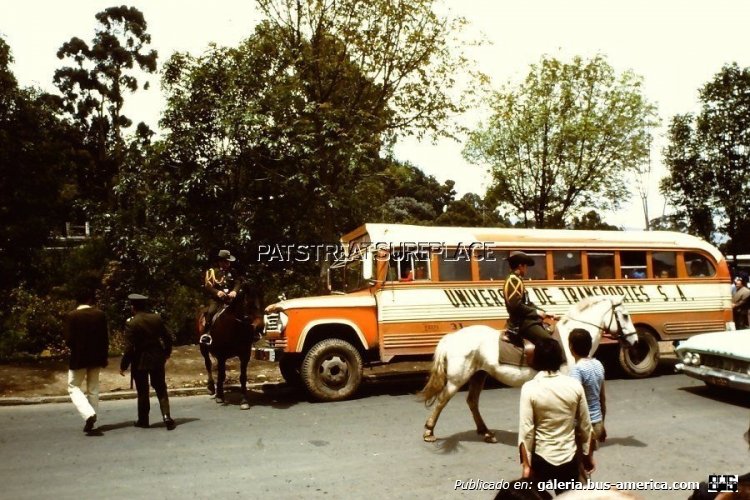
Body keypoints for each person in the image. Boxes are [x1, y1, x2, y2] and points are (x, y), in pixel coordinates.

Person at [518, 338, 594, 495]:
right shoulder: (574, 386)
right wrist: (587, 456)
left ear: (537, 359)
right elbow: (585, 426)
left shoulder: (529, 388)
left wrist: (526, 465)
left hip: (541, 459)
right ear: (560, 357)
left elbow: (526, 431)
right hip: (569, 458)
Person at [119, 293, 175, 430]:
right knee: (161, 387)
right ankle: (166, 416)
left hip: (140, 359)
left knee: (142, 391)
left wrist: (124, 365)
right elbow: (168, 337)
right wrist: (166, 353)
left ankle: (143, 420)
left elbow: (129, 348)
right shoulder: (157, 318)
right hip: (157, 357)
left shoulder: (131, 323)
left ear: (133, 307)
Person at [63, 284, 109, 434]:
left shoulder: (72, 316)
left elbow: (68, 340)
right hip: (96, 357)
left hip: (79, 357)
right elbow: (105, 339)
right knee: (93, 389)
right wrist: (104, 356)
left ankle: (88, 414)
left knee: (73, 386)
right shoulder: (100, 314)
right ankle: (93, 421)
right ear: (90, 299)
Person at [567, 328, 607, 481]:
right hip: (596, 423)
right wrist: (602, 424)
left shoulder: (577, 370)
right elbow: (602, 399)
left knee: (580, 470)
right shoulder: (598, 365)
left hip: (582, 427)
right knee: (587, 466)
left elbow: (574, 402)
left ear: (571, 347)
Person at [503, 251, 556, 347]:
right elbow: (515, 306)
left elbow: (527, 303)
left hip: (525, 320)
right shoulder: (513, 280)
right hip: (521, 323)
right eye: (525, 266)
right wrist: (536, 313)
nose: (526, 269)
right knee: (549, 343)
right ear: (520, 266)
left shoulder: (517, 279)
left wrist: (544, 312)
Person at [201, 249, 242, 345]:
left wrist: (234, 291)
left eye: (228, 262)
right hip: (217, 300)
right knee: (210, 312)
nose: (227, 264)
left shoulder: (233, 272)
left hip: (231, 299)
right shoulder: (212, 272)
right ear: (220, 262)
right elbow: (208, 286)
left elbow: (238, 283)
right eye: (225, 262)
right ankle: (207, 334)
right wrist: (217, 292)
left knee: (243, 311)